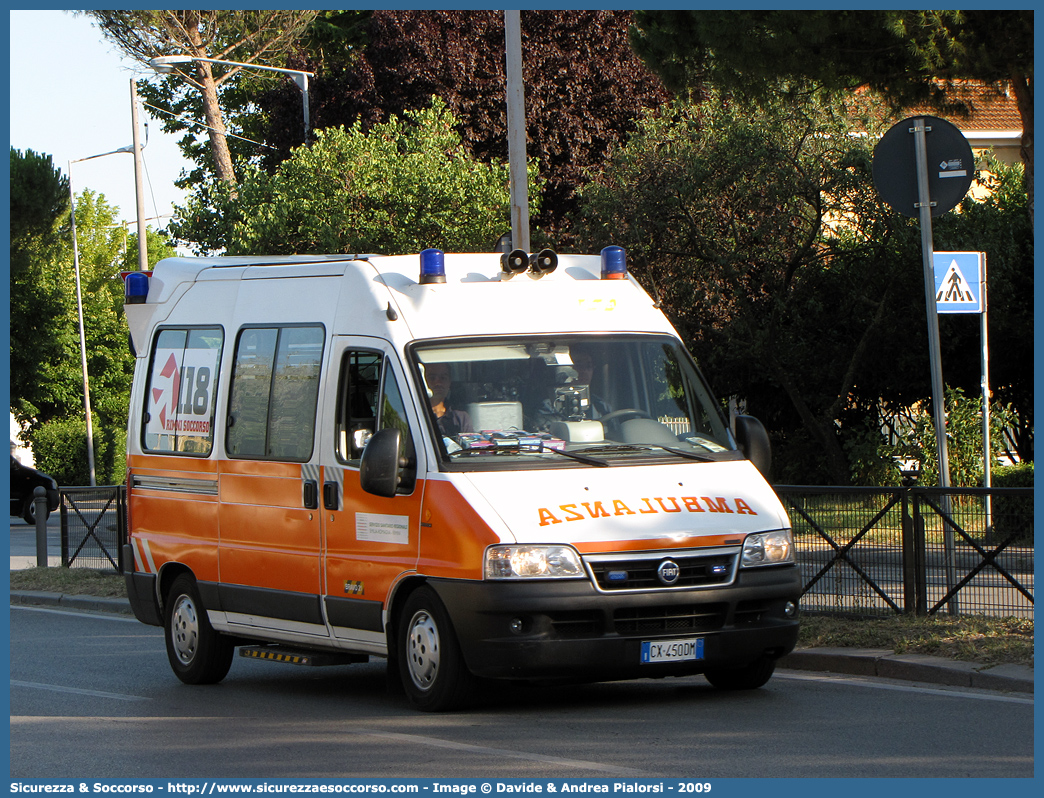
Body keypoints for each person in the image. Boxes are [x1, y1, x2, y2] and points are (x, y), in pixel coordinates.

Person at [423, 362, 473, 436]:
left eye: (443, 378)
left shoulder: (461, 418)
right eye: (432, 378)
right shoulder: (414, 414)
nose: (438, 383)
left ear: (449, 382)